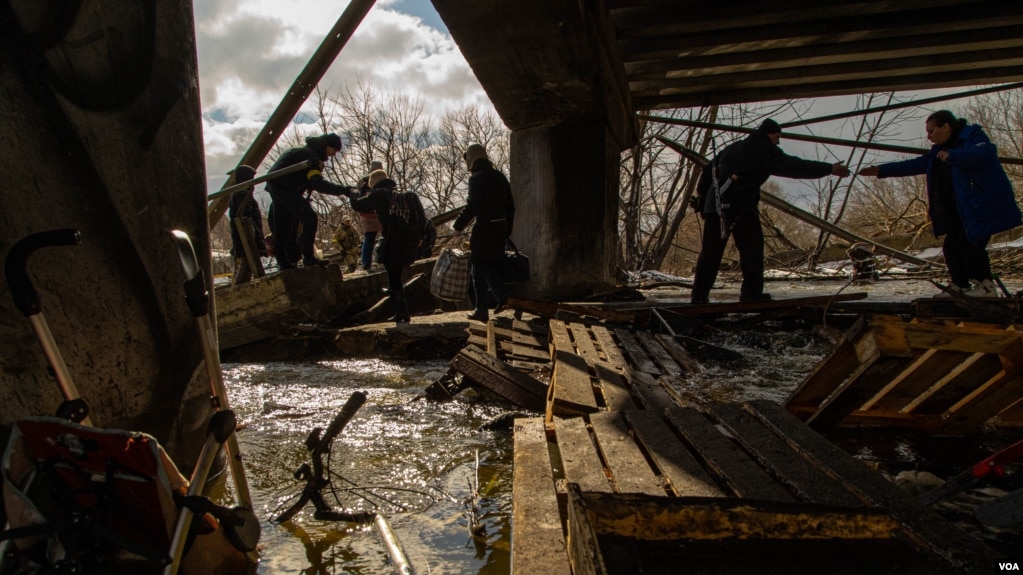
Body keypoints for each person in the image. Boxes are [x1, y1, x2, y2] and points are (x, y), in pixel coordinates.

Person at [859, 110, 1021, 297]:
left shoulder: (972, 137)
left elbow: (984, 155)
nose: (929, 137)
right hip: (958, 210)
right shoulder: (937, 153)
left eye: (931, 131)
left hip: (979, 206)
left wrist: (954, 157)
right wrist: (880, 170)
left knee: (969, 244)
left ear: (946, 127)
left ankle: (985, 286)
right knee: (951, 246)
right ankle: (960, 285)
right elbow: (915, 164)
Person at [691, 119, 850, 304]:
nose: (778, 142)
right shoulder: (762, 148)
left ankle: (698, 297)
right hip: (739, 207)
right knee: (752, 251)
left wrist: (702, 198)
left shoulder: (734, 147)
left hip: (716, 205)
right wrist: (829, 169)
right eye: (777, 137)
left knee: (710, 253)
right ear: (768, 134)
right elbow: (793, 166)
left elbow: (708, 170)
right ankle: (751, 294)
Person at [265, 133, 354, 270]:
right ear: (327, 146)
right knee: (310, 218)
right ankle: (308, 258)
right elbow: (319, 184)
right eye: (334, 151)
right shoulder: (312, 157)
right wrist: (344, 190)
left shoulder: (301, 152)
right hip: (285, 188)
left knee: (282, 227)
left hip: (276, 186)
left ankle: (284, 263)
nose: (334, 155)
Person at [347, 169, 424, 324]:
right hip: (410, 241)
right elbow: (422, 218)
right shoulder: (406, 194)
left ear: (373, 185)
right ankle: (396, 300)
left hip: (394, 241)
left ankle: (402, 311)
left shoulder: (380, 194)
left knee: (394, 274)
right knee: (395, 273)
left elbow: (358, 205)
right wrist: (419, 239)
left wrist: (354, 193)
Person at [453, 143, 515, 322]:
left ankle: (481, 310)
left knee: (478, 268)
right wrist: (507, 229)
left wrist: (458, 225)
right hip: (500, 227)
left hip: (484, 228)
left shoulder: (476, 179)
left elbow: (473, 206)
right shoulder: (500, 176)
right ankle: (503, 296)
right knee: (489, 266)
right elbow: (510, 206)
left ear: (471, 160)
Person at [227, 165, 267, 285]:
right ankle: (238, 292)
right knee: (248, 264)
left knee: (247, 265)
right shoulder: (242, 193)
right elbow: (245, 216)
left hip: (244, 237)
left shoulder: (238, 192)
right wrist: (254, 234)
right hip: (246, 238)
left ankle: (239, 290)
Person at [354, 161, 384, 271]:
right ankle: (383, 259)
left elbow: (356, 195)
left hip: (365, 213)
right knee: (386, 236)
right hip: (378, 213)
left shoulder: (362, 181)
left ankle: (366, 263)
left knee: (369, 239)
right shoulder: (379, 179)